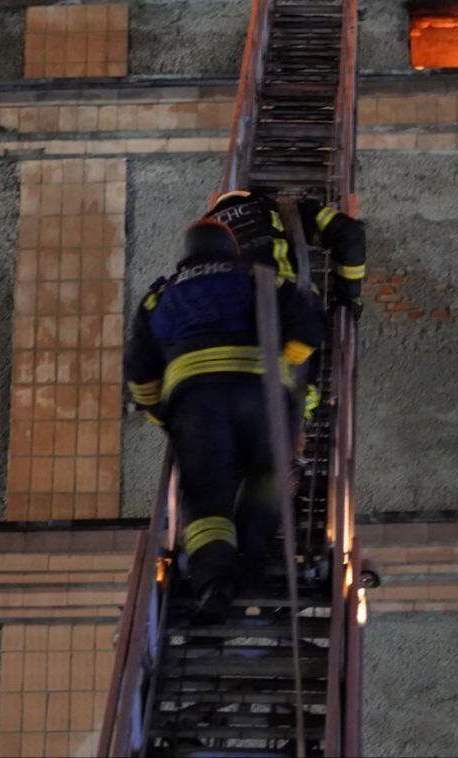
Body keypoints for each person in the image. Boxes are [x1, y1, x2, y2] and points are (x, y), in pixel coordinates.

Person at [124, 219, 324, 623]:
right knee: (266, 479)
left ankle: (215, 582)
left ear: (186, 255)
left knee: (207, 497)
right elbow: (309, 329)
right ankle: (253, 559)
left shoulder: (158, 297)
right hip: (264, 398)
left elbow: (140, 373)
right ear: (232, 250)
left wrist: (163, 418)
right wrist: (286, 370)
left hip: (198, 405)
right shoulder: (262, 279)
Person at [207, 189, 365, 422]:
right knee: (299, 355)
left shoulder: (201, 237)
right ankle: (300, 417)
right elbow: (350, 234)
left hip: (226, 332)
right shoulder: (285, 212)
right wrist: (347, 299)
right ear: (255, 196)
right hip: (288, 314)